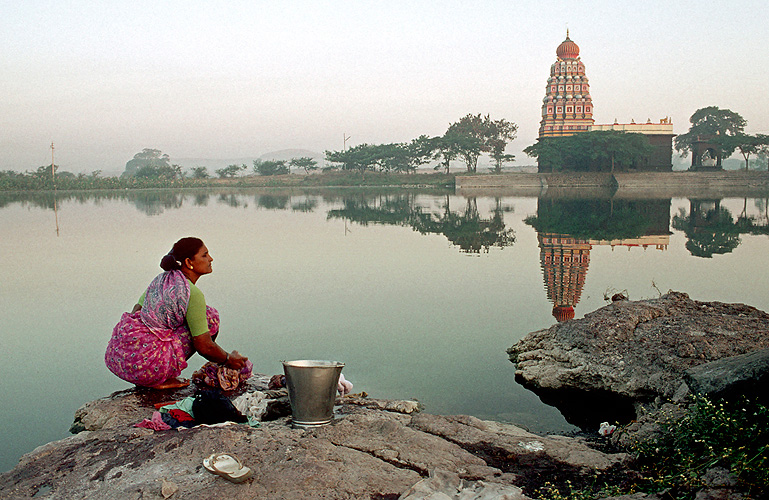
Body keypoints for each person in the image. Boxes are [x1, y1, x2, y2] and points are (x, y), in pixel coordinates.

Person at [105, 237, 248, 389]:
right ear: (188, 262)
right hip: (148, 366)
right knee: (209, 318)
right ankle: (162, 377)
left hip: (123, 360)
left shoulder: (160, 279)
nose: (210, 259)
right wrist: (228, 359)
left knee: (186, 321)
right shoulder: (192, 293)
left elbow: (137, 311)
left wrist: (148, 339)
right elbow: (204, 346)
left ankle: (153, 371)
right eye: (204, 255)